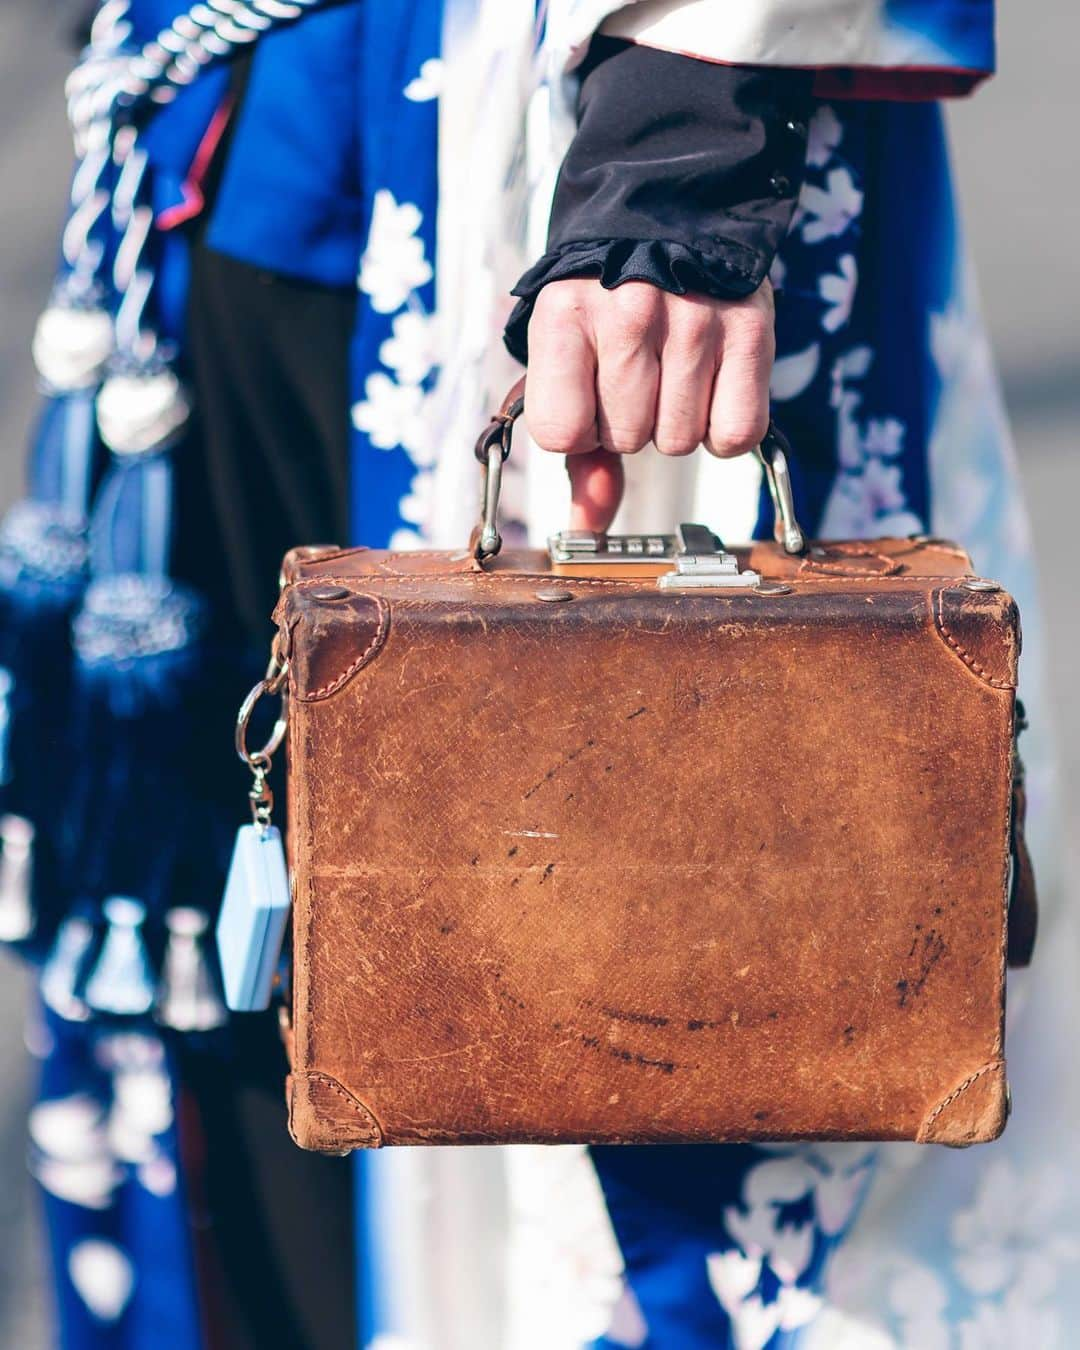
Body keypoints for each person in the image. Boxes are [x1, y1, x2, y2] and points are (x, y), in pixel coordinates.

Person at [4, 1, 1075, 1347]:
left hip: (590, 158)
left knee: (705, 1042)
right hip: (226, 130)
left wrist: (687, 145)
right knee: (275, 1066)